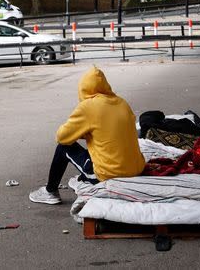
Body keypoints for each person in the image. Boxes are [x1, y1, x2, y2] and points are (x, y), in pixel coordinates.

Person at [29, 66, 145, 204]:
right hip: (136, 170)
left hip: (109, 174)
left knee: (63, 147)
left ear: (83, 89)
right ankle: (82, 178)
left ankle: (50, 191)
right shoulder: (122, 102)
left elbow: (62, 137)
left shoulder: (88, 107)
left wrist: (80, 131)